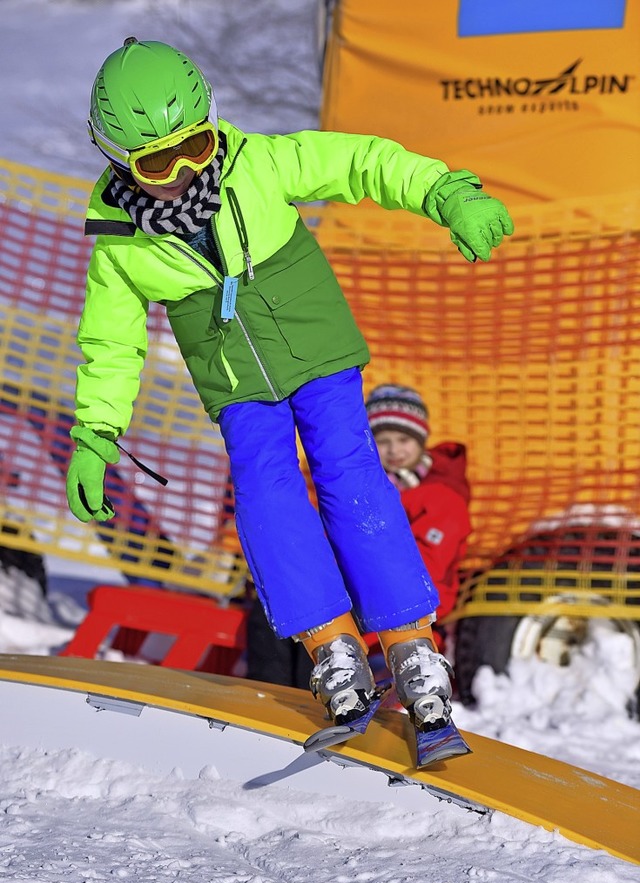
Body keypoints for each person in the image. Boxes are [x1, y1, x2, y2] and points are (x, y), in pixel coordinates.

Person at [65, 38, 514, 736]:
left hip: (316, 343)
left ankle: (410, 646)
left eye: (197, 144)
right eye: (159, 162)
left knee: (347, 470)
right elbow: (111, 344)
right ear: (118, 160)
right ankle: (331, 647)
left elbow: (361, 160)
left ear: (214, 124)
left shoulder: (260, 163)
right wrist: (96, 430)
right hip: (237, 378)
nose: (186, 170)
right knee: (264, 487)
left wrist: (441, 190)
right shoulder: (120, 244)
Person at [365, 384, 472, 654]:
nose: (394, 450)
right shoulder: (367, 487)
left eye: (404, 440)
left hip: (412, 615)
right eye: (383, 441)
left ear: (421, 439)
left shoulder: (441, 494)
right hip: (371, 602)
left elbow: (429, 567)